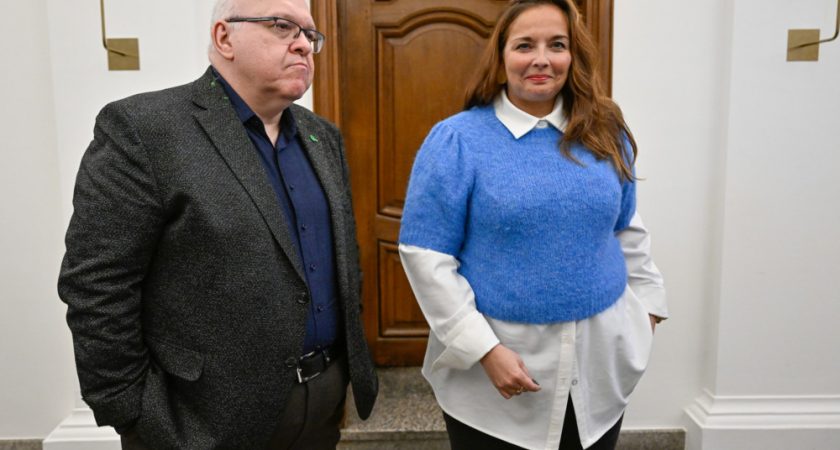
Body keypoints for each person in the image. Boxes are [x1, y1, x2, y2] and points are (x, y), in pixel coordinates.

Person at [57, 0, 377, 448]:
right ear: (225, 38)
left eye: (310, 34)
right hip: (200, 419)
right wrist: (132, 410)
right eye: (282, 26)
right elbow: (97, 285)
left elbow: (341, 259)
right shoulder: (144, 130)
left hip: (321, 402)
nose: (304, 45)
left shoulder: (322, 136)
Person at [398, 1, 668, 449]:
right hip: (496, 381)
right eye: (525, 45)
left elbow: (625, 226)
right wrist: (484, 350)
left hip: (599, 373)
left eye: (557, 45)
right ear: (501, 57)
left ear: (573, 56)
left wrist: (649, 308)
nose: (542, 59)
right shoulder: (457, 141)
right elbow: (426, 255)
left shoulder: (605, 130)